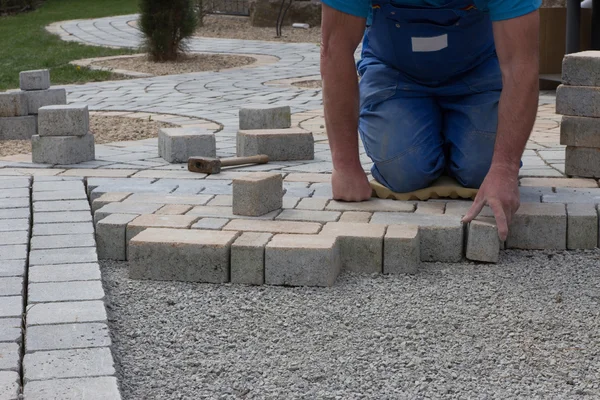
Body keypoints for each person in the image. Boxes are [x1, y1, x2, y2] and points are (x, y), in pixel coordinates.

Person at [320, 0, 541, 240]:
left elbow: (521, 63)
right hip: (394, 73)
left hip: (477, 73)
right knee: (404, 169)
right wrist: (345, 166)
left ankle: (452, 140)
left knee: (482, 168)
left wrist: (504, 168)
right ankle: (437, 137)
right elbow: (335, 49)